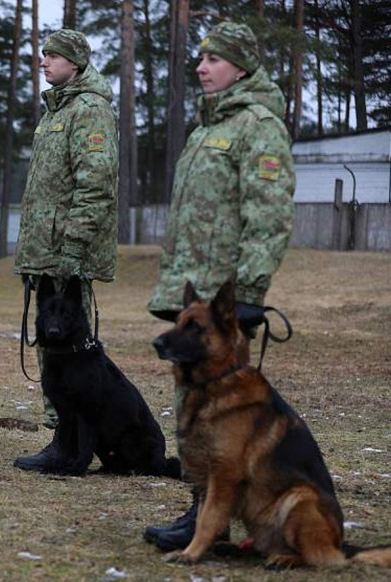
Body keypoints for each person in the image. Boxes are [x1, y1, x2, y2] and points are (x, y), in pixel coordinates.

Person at [141, 21, 295, 552]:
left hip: (225, 304)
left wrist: (250, 291)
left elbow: (269, 216)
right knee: (191, 409)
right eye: (201, 60)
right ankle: (202, 510)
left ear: (242, 67)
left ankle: (210, 517)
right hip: (193, 292)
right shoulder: (206, 128)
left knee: (220, 414)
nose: (202, 69)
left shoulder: (259, 126)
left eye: (215, 60)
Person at [10, 28, 119, 473]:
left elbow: (95, 184)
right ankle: (62, 434)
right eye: (42, 54)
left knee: (72, 347)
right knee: (50, 348)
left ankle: (73, 440)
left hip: (66, 253)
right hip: (46, 250)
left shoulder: (89, 110)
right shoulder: (56, 110)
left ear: (75, 63)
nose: (43, 61)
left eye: (52, 56)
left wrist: (73, 246)